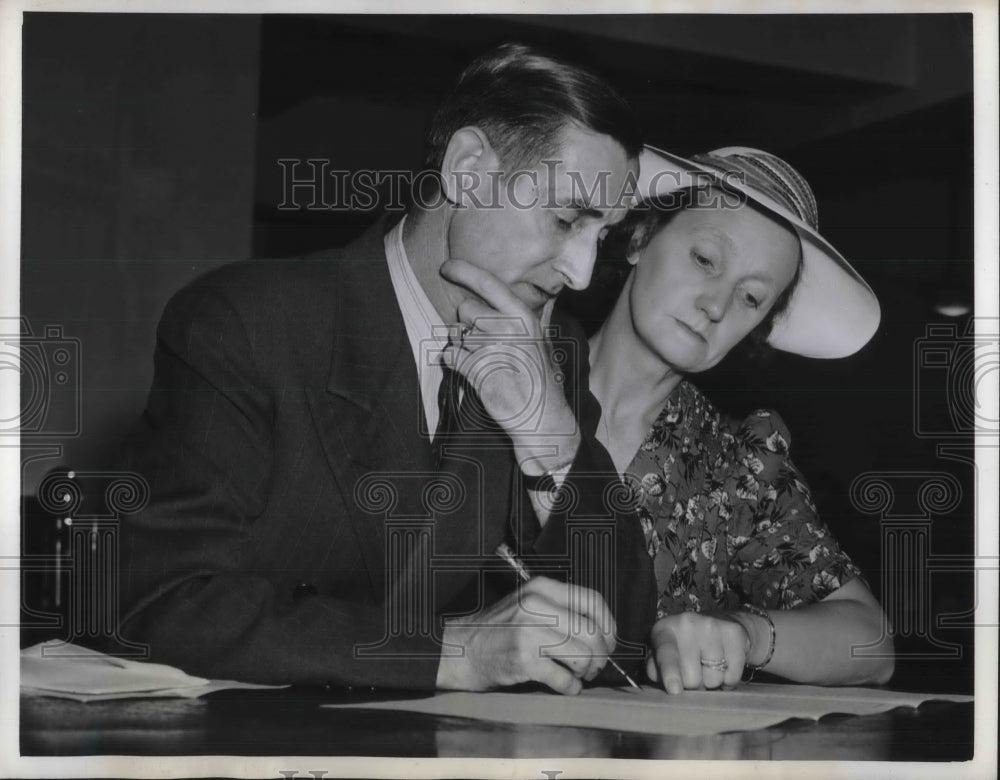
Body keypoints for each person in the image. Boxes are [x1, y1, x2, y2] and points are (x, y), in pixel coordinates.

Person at [115, 43, 658, 695]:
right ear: (467, 168)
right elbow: (160, 604)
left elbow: (622, 643)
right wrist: (455, 653)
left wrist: (554, 443)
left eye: (602, 238)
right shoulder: (245, 322)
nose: (579, 271)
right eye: (568, 219)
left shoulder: (554, 354)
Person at [586, 145, 894, 692]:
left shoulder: (739, 467)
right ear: (639, 238)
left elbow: (871, 642)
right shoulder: (501, 373)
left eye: (750, 297)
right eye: (705, 259)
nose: (716, 305)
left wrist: (745, 632)